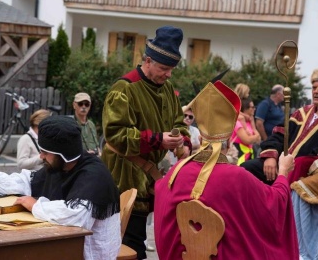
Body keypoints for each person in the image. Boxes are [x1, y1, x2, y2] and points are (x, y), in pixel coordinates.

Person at [154, 81, 299, 260]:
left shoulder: (175, 172)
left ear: (200, 136)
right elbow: (274, 204)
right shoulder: (237, 177)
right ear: (230, 138)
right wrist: (283, 171)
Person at [102, 25, 191, 259]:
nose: (169, 74)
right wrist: (158, 140)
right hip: (122, 178)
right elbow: (115, 134)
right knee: (126, 247)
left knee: (136, 242)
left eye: (171, 69)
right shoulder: (124, 89)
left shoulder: (168, 89)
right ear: (148, 61)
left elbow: (179, 122)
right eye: (164, 68)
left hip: (148, 179)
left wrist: (182, 139)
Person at [0, 116, 121, 260]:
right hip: (65, 247)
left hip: (88, 254)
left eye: (45, 152)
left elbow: (76, 216)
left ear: (63, 153)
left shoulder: (94, 175)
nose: (41, 156)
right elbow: (26, 181)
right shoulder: (61, 165)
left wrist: (35, 205)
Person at [241, 69, 318, 185]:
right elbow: (278, 135)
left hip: (305, 175)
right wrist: (271, 156)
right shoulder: (301, 113)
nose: (315, 92)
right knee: (246, 169)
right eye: (314, 88)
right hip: (279, 164)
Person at [231, 97, 260, 165]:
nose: (254, 109)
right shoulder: (237, 122)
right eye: (252, 107)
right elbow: (247, 140)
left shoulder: (249, 122)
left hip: (250, 156)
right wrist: (255, 136)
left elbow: (259, 139)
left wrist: (253, 124)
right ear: (245, 108)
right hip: (240, 156)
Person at [73, 92, 100, 156]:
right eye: (80, 104)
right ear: (74, 105)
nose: (84, 107)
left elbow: (97, 146)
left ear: (90, 106)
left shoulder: (91, 124)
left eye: (87, 104)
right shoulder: (71, 124)